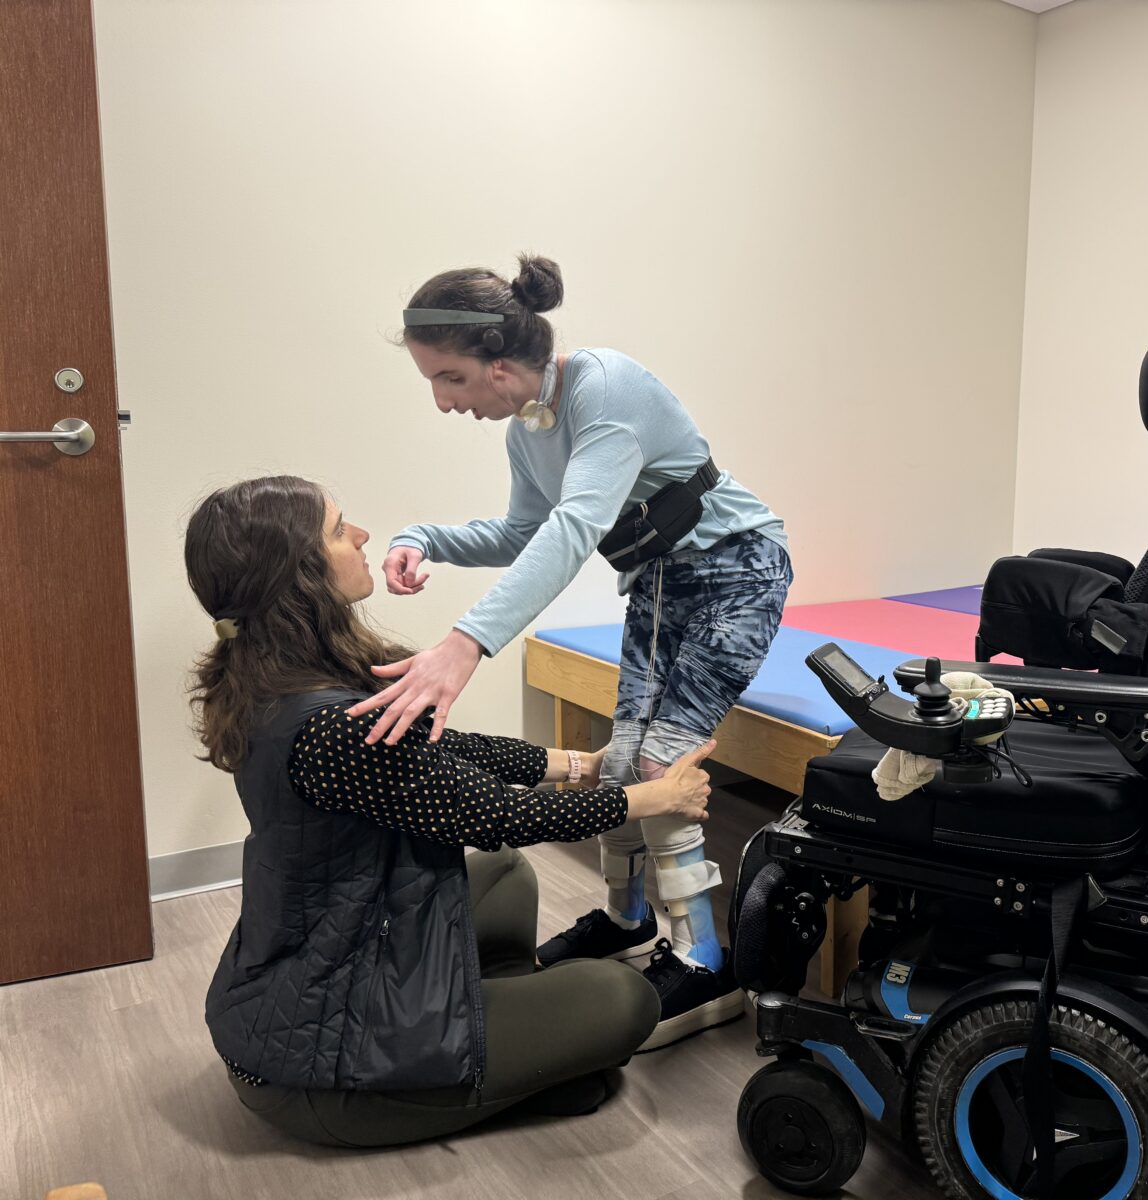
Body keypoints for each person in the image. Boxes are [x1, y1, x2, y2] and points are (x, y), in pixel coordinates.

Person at [186, 474, 715, 1147]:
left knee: (504, 875)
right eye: (338, 527)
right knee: (625, 1000)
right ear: (298, 573)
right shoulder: (328, 725)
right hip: (320, 1071)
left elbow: (447, 750)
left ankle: (505, 1033)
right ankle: (484, 1063)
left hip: (323, 963)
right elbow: (498, 815)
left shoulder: (275, 674)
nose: (361, 536)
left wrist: (581, 764)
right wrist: (653, 798)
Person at [352, 254, 791, 1047]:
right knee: (620, 763)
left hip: (738, 574)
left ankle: (704, 961)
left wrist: (466, 644)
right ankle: (626, 921)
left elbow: (572, 531)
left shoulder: (603, 387)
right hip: (659, 584)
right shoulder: (530, 430)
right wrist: (425, 538)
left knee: (662, 764)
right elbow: (522, 533)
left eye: (448, 379)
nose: (444, 402)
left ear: (498, 364)